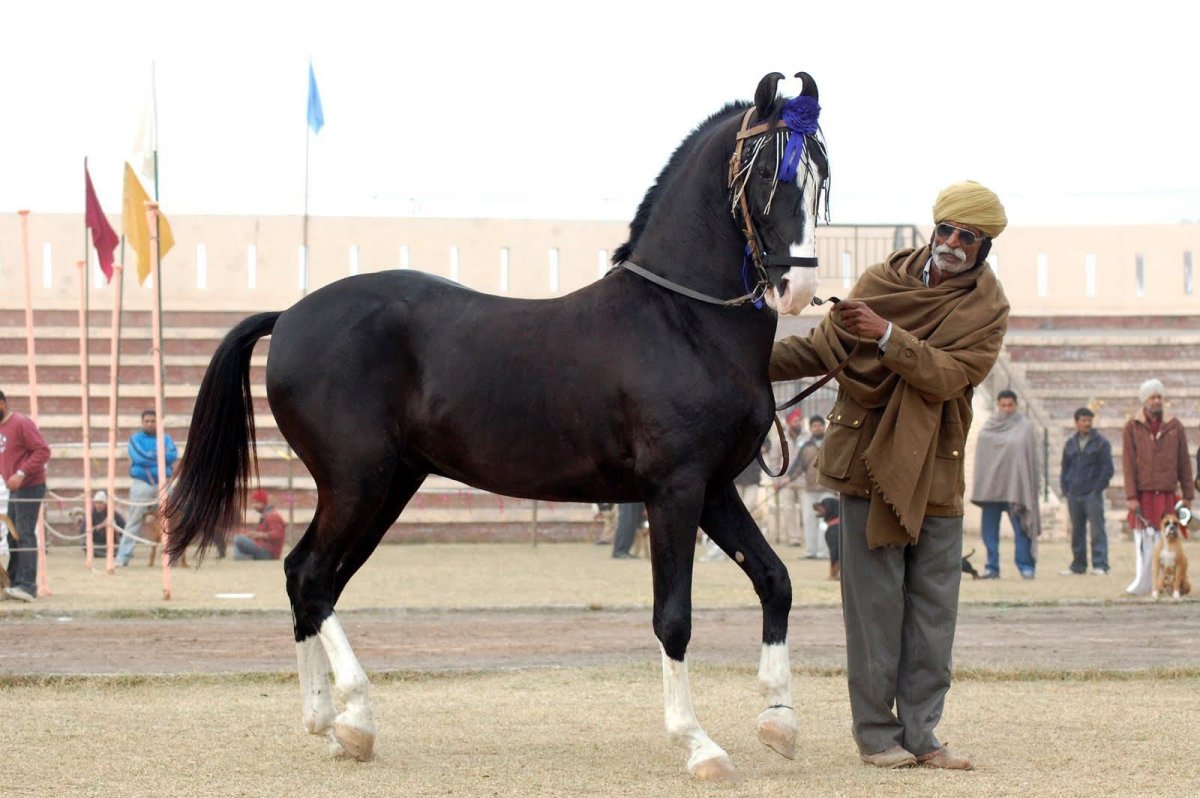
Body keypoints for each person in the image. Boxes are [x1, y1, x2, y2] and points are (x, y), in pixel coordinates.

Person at [769, 180, 1010, 770]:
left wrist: (885, 334)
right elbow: (823, 349)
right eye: (947, 230)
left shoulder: (987, 310)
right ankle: (877, 736)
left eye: (968, 237)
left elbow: (950, 375)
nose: (953, 243)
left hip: (937, 475)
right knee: (873, 611)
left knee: (933, 614)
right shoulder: (882, 281)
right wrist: (733, 354)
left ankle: (923, 736)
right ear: (935, 228)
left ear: (985, 245)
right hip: (865, 466)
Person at [1122, 378, 1195, 595]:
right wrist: (1131, 496)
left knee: (1168, 539)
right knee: (1144, 540)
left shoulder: (1175, 426)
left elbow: (1184, 462)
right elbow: (1128, 463)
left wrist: (1188, 495)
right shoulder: (1132, 427)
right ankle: (1143, 584)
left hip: (1166, 492)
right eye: (1152, 397)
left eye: (1159, 397)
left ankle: (1169, 585)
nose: (1156, 401)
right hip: (1143, 493)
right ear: (1144, 401)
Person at [970, 390, 1041, 580]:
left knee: (1021, 530)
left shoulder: (1024, 427)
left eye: (1010, 405)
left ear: (1016, 405)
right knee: (989, 532)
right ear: (998, 405)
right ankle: (992, 567)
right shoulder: (989, 426)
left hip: (1015, 489)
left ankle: (1026, 566)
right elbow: (983, 457)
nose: (1007, 409)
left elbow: (1029, 460)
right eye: (1003, 405)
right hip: (991, 489)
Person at [0, 389, 51, 602]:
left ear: (2, 404)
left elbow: (43, 450)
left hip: (30, 485)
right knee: (13, 534)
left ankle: (27, 586)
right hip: (14, 489)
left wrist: (21, 473)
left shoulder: (20, 422)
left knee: (24, 532)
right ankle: (12, 582)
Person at [116, 409, 178, 567]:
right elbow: (138, 457)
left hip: (163, 484)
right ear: (142, 422)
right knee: (134, 521)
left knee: (171, 518)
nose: (150, 423)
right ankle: (123, 557)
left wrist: (151, 456)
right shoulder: (135, 439)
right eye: (147, 421)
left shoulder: (166, 439)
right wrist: (159, 456)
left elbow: (172, 455)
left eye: (153, 421)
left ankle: (172, 555)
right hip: (142, 483)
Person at [1058, 407, 1114, 576]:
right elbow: (1065, 468)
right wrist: (1065, 489)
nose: (1087, 423)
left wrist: (1097, 488)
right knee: (1077, 532)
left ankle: (1100, 564)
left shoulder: (1101, 443)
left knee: (1097, 530)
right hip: (1074, 494)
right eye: (1083, 420)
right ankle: (1078, 565)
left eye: (1089, 420)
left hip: (1092, 494)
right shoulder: (1070, 444)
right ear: (1076, 423)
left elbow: (1107, 469)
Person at [798, 415, 834, 560]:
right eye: (814, 426)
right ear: (811, 428)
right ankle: (810, 551)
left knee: (826, 523)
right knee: (808, 521)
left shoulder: (831, 443)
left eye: (820, 425)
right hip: (810, 490)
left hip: (828, 490)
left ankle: (824, 552)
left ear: (824, 427)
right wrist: (784, 480)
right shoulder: (806, 446)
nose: (817, 428)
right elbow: (798, 467)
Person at [232, 488, 287, 560]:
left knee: (238, 538)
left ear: (262, 503)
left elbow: (278, 534)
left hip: (268, 553)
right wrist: (252, 534)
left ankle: (240, 557)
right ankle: (240, 557)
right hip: (264, 549)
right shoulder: (266, 515)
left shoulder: (273, 516)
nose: (253, 506)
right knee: (239, 537)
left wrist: (258, 534)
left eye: (255, 503)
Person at [814, 496, 841, 579]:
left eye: (823, 505)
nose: (819, 506)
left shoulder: (834, 529)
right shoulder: (839, 526)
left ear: (831, 508)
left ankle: (833, 574)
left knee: (835, 551)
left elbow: (834, 553)